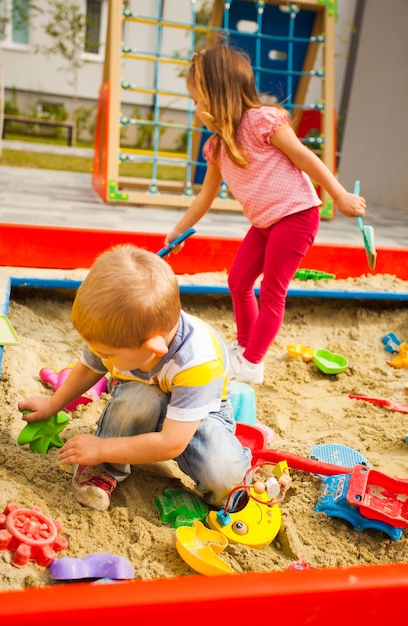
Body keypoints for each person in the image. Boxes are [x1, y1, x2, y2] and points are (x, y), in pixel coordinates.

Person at [164, 44, 366, 385]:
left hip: (296, 215)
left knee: (273, 290)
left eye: (200, 100)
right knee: (238, 281)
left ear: (221, 93)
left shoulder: (263, 121)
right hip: (264, 223)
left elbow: (305, 158)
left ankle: (252, 363)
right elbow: (204, 197)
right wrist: (177, 232)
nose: (197, 109)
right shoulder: (216, 146)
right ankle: (244, 346)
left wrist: (340, 194)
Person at [18, 244, 251, 512]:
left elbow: (171, 443)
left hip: (200, 415)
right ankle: (102, 470)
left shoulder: (197, 363)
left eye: (106, 353)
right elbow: (88, 367)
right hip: (141, 393)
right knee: (138, 400)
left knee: (226, 479)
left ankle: (111, 452)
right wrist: (52, 404)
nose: (100, 356)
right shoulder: (119, 333)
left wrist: (101, 447)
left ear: (153, 348)